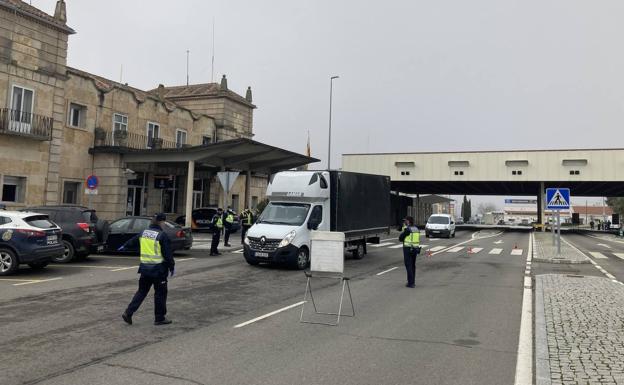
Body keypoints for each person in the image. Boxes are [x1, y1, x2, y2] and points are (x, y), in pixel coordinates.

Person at [121, 213, 175, 326]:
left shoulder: (144, 232)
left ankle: (128, 312)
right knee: (160, 294)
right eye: (164, 222)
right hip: (158, 270)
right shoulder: (162, 235)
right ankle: (159, 318)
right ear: (161, 222)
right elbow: (168, 254)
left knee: (141, 292)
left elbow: (132, 241)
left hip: (145, 269)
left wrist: (124, 246)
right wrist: (171, 266)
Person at [398, 216, 420, 288]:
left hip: (408, 249)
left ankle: (411, 283)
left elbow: (400, 238)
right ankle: (412, 282)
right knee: (413, 266)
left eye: (406, 221)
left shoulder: (408, 229)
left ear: (408, 221)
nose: (405, 222)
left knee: (408, 266)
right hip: (415, 249)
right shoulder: (416, 229)